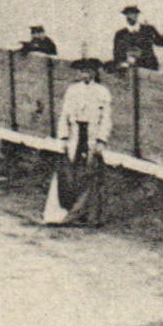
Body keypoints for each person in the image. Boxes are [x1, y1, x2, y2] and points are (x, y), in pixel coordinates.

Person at [45, 57, 112, 227]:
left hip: (92, 135)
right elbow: (64, 116)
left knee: (91, 175)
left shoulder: (102, 91)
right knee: (70, 176)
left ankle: (88, 215)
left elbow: (106, 119)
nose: (85, 74)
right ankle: (70, 211)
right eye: (82, 71)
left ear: (95, 73)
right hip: (75, 135)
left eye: (89, 71)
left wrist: (101, 140)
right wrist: (64, 138)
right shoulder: (72, 90)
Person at [112, 5, 163, 70]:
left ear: (137, 15)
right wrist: (122, 63)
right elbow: (116, 53)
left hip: (149, 66)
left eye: (135, 13)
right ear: (126, 16)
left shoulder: (148, 29)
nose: (133, 16)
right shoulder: (120, 34)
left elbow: (161, 43)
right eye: (130, 14)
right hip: (129, 69)